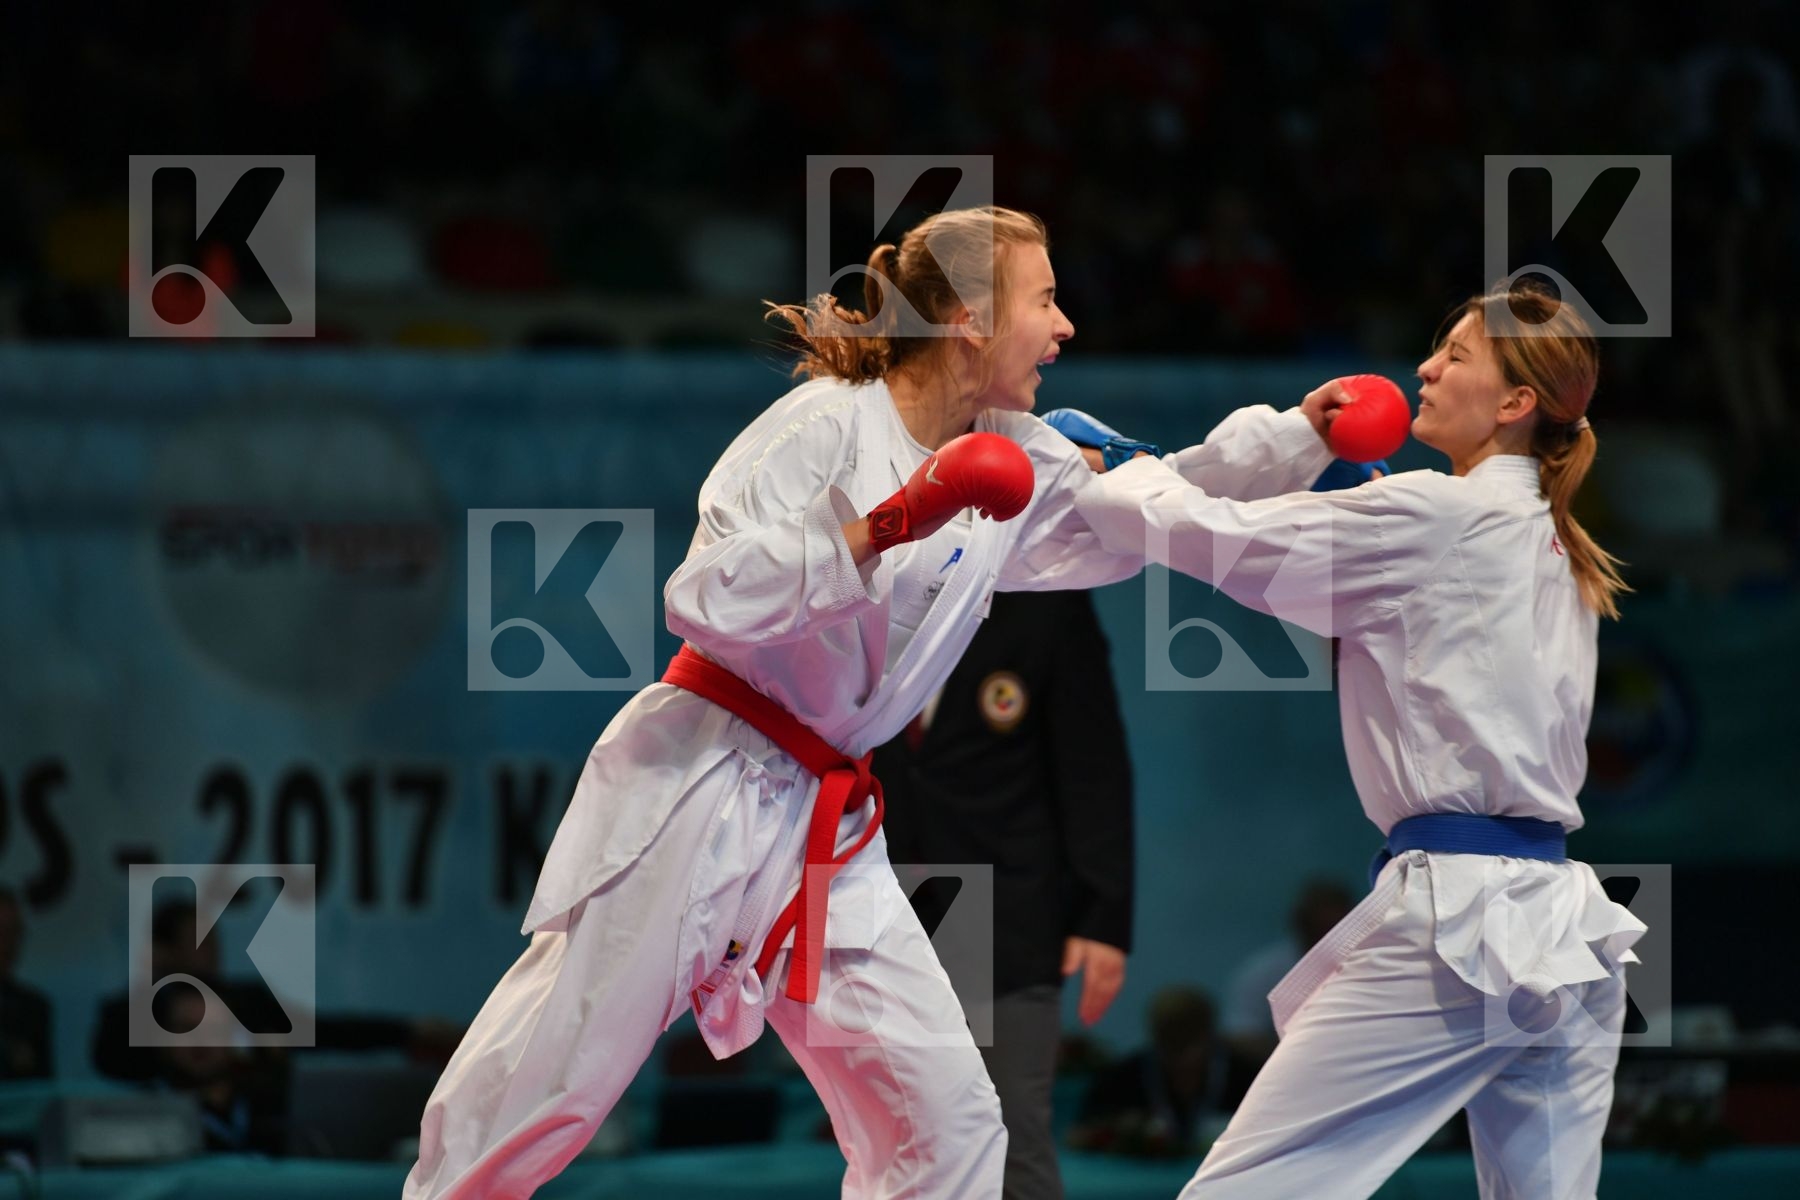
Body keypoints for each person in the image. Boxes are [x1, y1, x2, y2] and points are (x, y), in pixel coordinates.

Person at [405, 205, 1335, 1200]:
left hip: (827, 827)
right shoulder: (822, 426)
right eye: (1047, 299)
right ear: (973, 318)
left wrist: (1298, 440)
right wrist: (888, 524)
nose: (1065, 328)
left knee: (949, 1124)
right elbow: (703, 596)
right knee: (549, 1086)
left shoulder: (1009, 449)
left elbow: (1147, 506)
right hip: (702, 780)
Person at [1073, 282, 1647, 1199]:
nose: (1424, 367)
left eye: (1455, 355)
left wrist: (1121, 463)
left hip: (1462, 929)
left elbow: (1213, 535)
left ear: (1514, 403)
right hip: (1568, 932)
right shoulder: (1551, 535)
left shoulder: (1437, 514)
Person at [874, 586, 1134, 1200]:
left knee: (1008, 1132)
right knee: (885, 1137)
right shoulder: (862, 583)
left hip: (998, 903)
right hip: (875, 895)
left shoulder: (1043, 594)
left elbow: (1092, 765)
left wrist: (1103, 917)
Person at [1070, 986, 1257, 1159]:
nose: (1180, 1058)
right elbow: (1076, 1136)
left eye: (1188, 1043)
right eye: (1170, 1044)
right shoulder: (1122, 1077)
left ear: (1209, 1036)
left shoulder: (1246, 1077)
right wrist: (1116, 1133)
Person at [1219, 877, 1353, 1069]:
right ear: (1300, 922)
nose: (1327, 934)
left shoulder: (1373, 967)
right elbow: (1240, 1035)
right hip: (1282, 1071)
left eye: (1335, 925)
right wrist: (1297, 1062)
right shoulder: (1263, 972)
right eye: (1320, 925)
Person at [0, 885, 53, 1080]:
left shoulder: (33, 1009)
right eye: (1, 933)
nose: (8, 945)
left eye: (14, 933)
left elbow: (42, 1091)